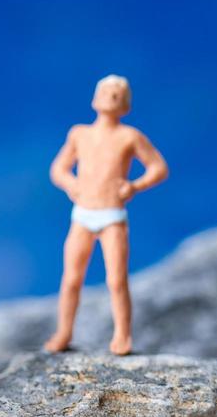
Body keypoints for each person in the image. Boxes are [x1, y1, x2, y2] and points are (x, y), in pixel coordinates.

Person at [43, 75, 169, 356]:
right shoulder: (79, 134)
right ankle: (64, 332)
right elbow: (58, 169)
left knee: (116, 280)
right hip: (83, 215)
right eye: (106, 91)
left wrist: (135, 185)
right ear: (95, 97)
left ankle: (123, 335)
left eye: (117, 94)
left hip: (112, 216)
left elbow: (158, 168)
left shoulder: (130, 137)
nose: (110, 97)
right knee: (71, 279)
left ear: (125, 104)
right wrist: (71, 184)